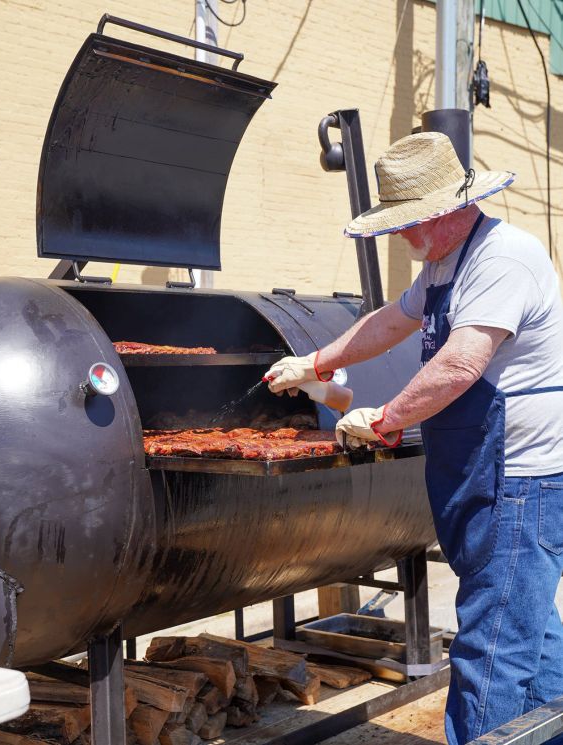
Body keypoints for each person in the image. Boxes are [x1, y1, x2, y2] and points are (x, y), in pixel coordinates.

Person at [264, 131, 563, 745]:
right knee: (529, 632)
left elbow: (459, 365)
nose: (401, 235)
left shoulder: (503, 259)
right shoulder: (443, 264)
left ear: (449, 209)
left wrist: (384, 419)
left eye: (408, 222)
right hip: (481, 472)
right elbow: (390, 322)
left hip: (518, 481)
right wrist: (315, 363)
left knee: (491, 650)